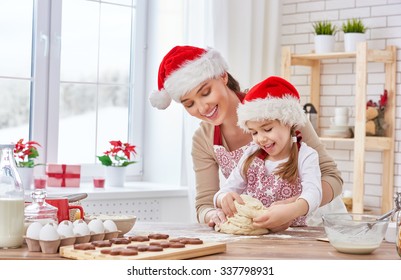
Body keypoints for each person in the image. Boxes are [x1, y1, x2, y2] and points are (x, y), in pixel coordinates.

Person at [150, 45, 345, 231]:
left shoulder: (275, 105)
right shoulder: (203, 139)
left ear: (223, 76)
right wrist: (214, 213)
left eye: (205, 92)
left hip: (318, 224)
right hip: (268, 231)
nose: (202, 108)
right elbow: (205, 203)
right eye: (189, 104)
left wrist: (297, 205)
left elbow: (333, 177)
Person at [214, 76, 322, 229]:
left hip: (293, 237)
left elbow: (314, 193)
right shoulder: (251, 155)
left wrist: (293, 210)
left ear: (288, 122)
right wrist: (223, 198)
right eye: (254, 132)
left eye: (267, 129)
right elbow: (225, 190)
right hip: (254, 238)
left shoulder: (306, 155)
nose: (261, 139)